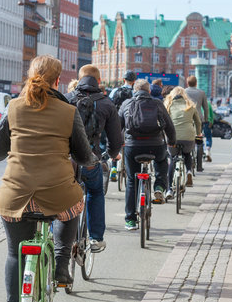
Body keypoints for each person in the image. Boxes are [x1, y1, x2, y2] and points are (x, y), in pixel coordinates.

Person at [0, 55, 96, 302]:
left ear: (30, 75)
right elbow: (84, 155)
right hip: (57, 192)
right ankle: (62, 263)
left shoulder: (13, 107)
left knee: (15, 252)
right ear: (57, 81)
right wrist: (93, 160)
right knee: (77, 203)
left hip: (15, 194)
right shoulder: (68, 110)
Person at [64, 64, 122, 256]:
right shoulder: (106, 103)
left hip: (68, 160)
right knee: (95, 193)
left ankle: (57, 236)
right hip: (91, 159)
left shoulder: (67, 99)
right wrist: (110, 155)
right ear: (98, 80)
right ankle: (96, 237)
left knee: (62, 194)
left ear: (78, 79)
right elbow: (116, 140)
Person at [119, 79, 176, 230]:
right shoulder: (157, 104)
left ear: (134, 90)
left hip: (133, 146)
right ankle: (159, 185)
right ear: (149, 91)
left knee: (132, 181)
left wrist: (118, 145)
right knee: (162, 160)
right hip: (155, 145)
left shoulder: (126, 104)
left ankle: (130, 219)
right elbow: (169, 125)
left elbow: (117, 127)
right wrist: (171, 141)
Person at [163, 86, 202, 199]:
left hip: (172, 138)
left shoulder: (168, 105)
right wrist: (198, 133)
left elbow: (163, 122)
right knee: (187, 154)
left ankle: (169, 189)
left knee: (172, 158)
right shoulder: (190, 105)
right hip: (188, 137)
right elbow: (198, 122)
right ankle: (189, 171)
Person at [183, 75, 212, 168]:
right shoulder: (201, 93)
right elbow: (206, 107)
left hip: (187, 118)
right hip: (198, 118)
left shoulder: (184, 92)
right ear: (196, 83)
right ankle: (199, 164)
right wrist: (206, 119)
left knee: (187, 137)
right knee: (198, 138)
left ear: (187, 83)